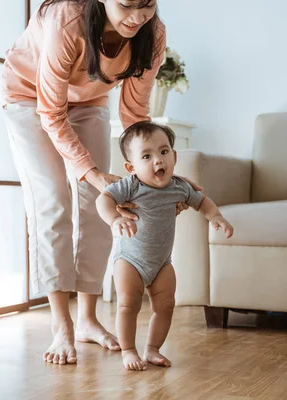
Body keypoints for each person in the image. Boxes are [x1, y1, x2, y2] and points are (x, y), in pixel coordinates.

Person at [1, 0, 198, 365]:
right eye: (126, 5)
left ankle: (87, 319)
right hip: (29, 98)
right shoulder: (67, 20)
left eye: (148, 5)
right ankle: (62, 326)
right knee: (53, 200)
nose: (137, 17)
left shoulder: (152, 34)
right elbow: (51, 111)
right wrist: (90, 172)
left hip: (89, 101)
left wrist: (155, 179)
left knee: (102, 206)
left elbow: (135, 115)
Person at [96, 121, 234, 371]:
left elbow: (203, 202)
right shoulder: (131, 185)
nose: (158, 160)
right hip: (129, 259)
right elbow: (103, 199)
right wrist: (114, 219)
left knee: (166, 305)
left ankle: (152, 349)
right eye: (146, 156)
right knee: (128, 304)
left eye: (163, 152)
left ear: (174, 156)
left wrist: (216, 216)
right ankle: (128, 350)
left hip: (162, 262)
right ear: (131, 167)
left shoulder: (180, 187)